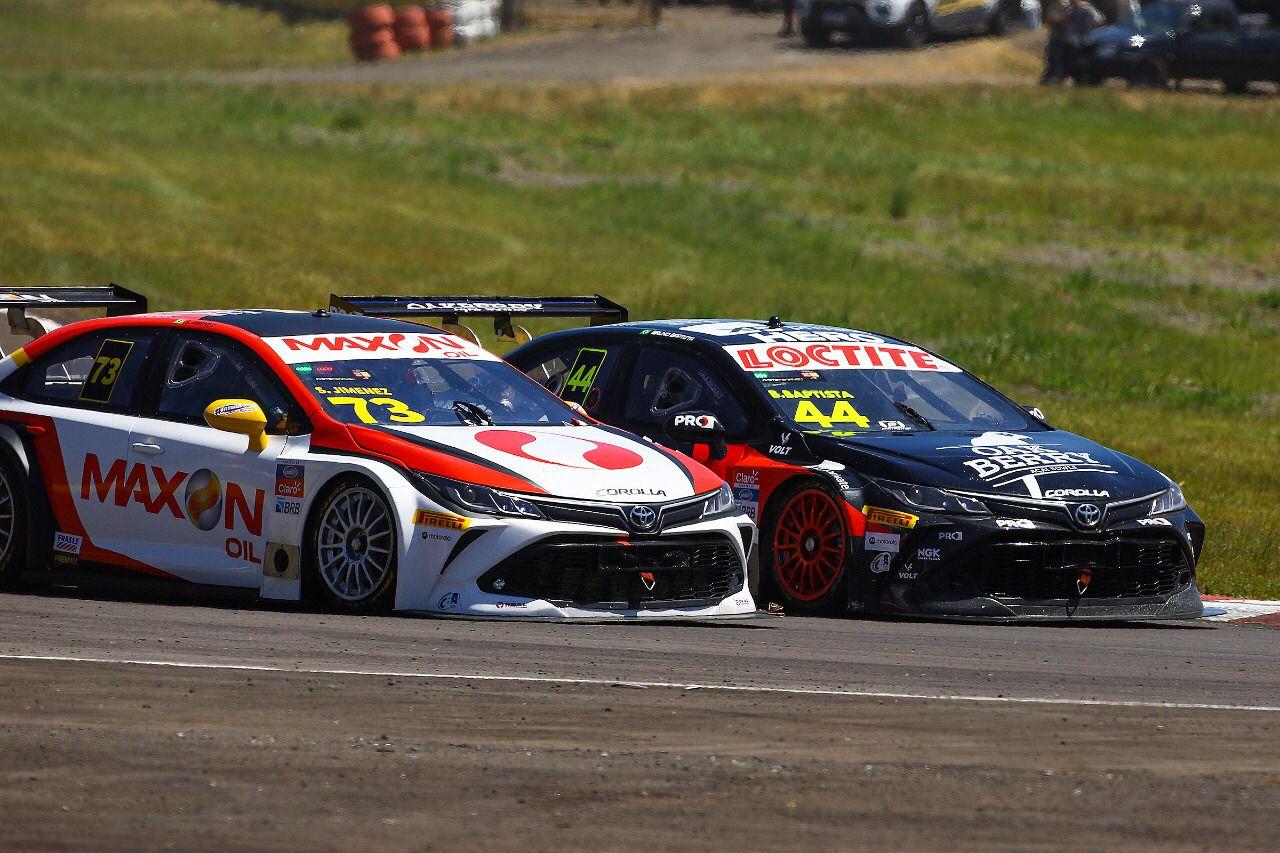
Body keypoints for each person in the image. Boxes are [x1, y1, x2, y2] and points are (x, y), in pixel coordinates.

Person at [1063, 0, 1104, 80]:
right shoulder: (1076, 9)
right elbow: (1099, 21)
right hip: (1083, 39)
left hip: (1079, 40)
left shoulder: (1075, 9)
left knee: (1080, 60)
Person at [1041, 0, 1070, 83]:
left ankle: (1058, 77)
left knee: (1058, 57)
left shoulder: (1063, 4)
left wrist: (1055, 20)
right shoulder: (1054, 4)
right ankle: (1050, 75)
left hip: (1061, 36)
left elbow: (1065, 21)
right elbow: (1048, 21)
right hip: (1054, 36)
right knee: (1051, 56)